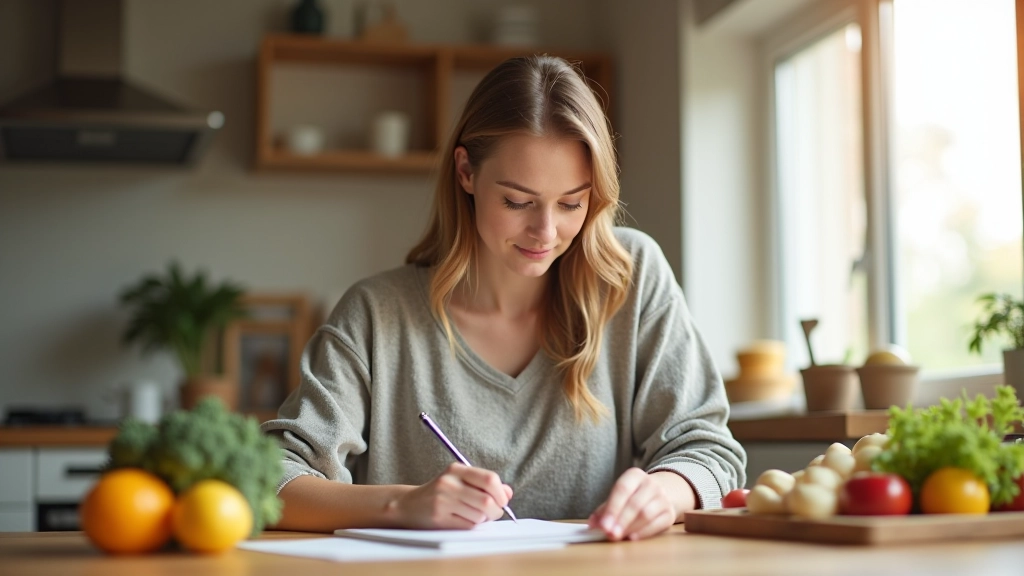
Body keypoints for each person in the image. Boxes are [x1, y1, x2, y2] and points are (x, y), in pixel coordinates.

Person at [261, 55, 746, 541]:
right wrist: (402, 503)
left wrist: (665, 490)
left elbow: (708, 450)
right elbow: (272, 477)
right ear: (466, 172)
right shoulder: (376, 314)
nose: (546, 231)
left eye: (572, 203)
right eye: (518, 201)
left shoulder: (630, 279)